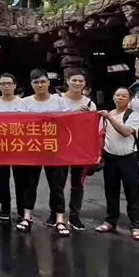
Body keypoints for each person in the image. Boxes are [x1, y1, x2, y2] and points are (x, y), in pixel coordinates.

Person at [16, 69, 69, 237]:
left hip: (54, 149)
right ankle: (27, 216)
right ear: (31, 84)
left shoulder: (59, 101)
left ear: (48, 83)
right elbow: (21, 125)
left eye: (42, 82)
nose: (39, 85)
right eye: (36, 82)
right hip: (32, 149)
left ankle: (59, 218)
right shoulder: (25, 102)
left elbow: (67, 122)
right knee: (29, 185)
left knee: (57, 186)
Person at [95, 87, 139, 241]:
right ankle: (110, 222)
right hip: (110, 159)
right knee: (111, 191)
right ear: (113, 97)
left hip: (128, 158)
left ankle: (136, 226)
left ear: (129, 99)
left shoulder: (133, 115)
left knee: (132, 192)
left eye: (124, 96)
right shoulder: (107, 115)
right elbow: (100, 136)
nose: (120, 98)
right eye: (118, 95)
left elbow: (125, 132)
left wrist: (110, 118)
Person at [57, 69, 96, 231]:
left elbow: (94, 128)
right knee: (57, 184)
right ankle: (56, 214)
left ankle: (74, 216)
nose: (77, 83)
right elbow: (51, 121)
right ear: (67, 81)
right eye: (74, 80)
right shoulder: (57, 99)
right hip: (60, 148)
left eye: (81, 81)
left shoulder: (90, 103)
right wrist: (74, 114)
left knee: (77, 185)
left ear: (85, 84)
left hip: (80, 149)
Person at [0, 72, 25, 222]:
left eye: (9, 83)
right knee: (2, 179)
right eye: (3, 84)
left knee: (21, 180)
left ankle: (22, 209)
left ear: (14, 85)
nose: (6, 86)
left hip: (19, 146)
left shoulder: (23, 103)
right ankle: (5, 207)